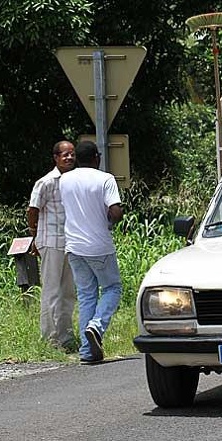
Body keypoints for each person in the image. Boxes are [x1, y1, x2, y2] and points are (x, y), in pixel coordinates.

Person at [60, 140, 124, 364]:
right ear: (97, 158)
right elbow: (115, 211)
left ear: (76, 158)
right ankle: (96, 325)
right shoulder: (105, 179)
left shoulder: (64, 180)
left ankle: (87, 352)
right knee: (112, 288)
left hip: (74, 247)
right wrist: (111, 221)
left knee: (87, 295)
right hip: (99, 246)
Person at [27, 140, 77, 352]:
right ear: (56, 158)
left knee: (68, 291)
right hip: (50, 241)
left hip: (70, 242)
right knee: (51, 291)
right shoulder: (46, 182)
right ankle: (49, 339)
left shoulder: (74, 180)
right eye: (65, 155)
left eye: (72, 154)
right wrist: (35, 237)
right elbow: (33, 210)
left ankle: (66, 337)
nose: (69, 158)